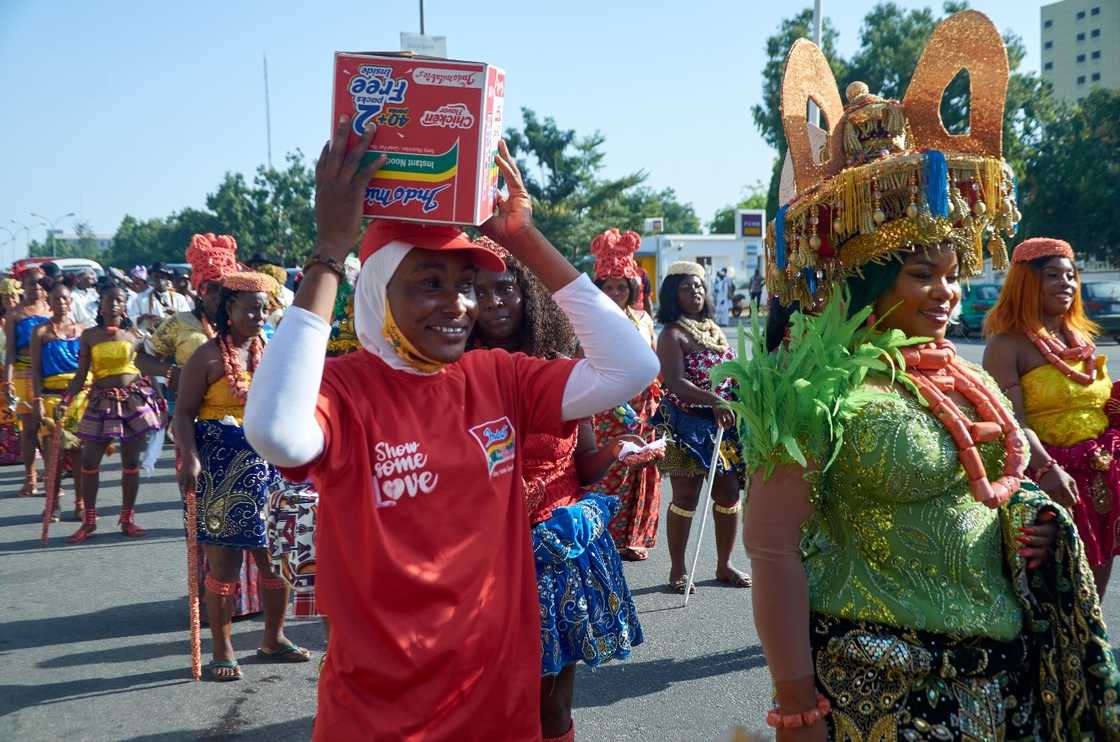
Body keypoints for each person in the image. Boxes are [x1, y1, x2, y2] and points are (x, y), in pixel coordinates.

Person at [735, 14, 1119, 738]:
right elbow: (773, 550)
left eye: (951, 274)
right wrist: (795, 703)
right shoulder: (812, 391)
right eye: (921, 275)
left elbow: (992, 487)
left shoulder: (959, 374)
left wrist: (1029, 523)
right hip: (877, 686)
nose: (946, 294)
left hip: (997, 678)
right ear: (867, 283)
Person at [242, 119, 658, 740]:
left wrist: (522, 238)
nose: (459, 304)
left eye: (466, 285)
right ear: (378, 293)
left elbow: (632, 367)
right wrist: (329, 252)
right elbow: (275, 433)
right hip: (380, 717)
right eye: (430, 283)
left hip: (497, 703)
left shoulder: (496, 376)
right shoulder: (342, 390)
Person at [469, 238, 644, 740]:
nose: (494, 302)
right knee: (486, 703)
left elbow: (582, 467)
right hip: (480, 563)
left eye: (505, 288)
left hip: (555, 555)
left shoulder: (563, 373)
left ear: (528, 295)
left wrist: (614, 451)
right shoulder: (448, 373)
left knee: (551, 709)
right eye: (478, 291)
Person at [174, 271, 306, 681]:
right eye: (250, 309)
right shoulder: (206, 356)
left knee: (278, 560)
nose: (258, 317)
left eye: (263, 310)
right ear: (229, 309)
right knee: (225, 566)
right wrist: (188, 457)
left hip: (271, 468)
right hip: (221, 468)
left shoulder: (273, 352)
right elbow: (182, 414)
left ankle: (274, 639)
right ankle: (223, 649)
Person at [983, 237, 1120, 600]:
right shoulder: (1005, 345)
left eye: (1071, 275)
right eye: (1053, 275)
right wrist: (1046, 468)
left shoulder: (1081, 339)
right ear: (1026, 282)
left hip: (1101, 478)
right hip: (1047, 483)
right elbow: (1012, 422)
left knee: (1093, 592)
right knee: (1051, 593)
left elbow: (1099, 408)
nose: (1066, 283)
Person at [142, 233, 265, 621]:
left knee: (257, 526)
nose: (217, 293)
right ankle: (210, 599)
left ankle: (248, 601)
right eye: (212, 287)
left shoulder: (255, 331)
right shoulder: (180, 325)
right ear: (200, 290)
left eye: (224, 286)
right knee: (210, 525)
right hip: (200, 435)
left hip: (252, 441)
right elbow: (142, 358)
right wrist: (171, 372)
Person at [653, 261, 750, 593]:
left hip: (722, 424)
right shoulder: (671, 334)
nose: (695, 291)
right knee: (686, 496)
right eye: (686, 287)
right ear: (672, 294)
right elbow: (675, 382)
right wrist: (715, 400)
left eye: (698, 286)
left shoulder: (714, 329)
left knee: (729, 492)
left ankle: (724, 565)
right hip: (685, 425)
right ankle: (678, 570)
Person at [62, 283, 163, 543]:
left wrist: (160, 398)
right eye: (109, 299)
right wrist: (67, 399)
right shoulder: (89, 336)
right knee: (89, 461)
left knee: (130, 462)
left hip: (134, 400)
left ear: (125, 304)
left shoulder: (135, 334)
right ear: (101, 303)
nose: (114, 304)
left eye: (119, 300)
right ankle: (89, 521)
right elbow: (81, 374)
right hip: (102, 401)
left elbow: (147, 369)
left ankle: (127, 519)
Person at [588, 228, 663, 560]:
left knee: (640, 468)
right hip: (606, 405)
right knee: (610, 469)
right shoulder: (590, 319)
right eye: (609, 287)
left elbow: (655, 359)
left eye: (622, 286)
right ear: (600, 288)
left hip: (643, 405)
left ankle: (634, 538)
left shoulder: (644, 318)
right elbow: (582, 360)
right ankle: (601, 537)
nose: (616, 292)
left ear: (632, 287)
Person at [30, 283, 87, 522]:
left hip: (80, 398)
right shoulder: (41, 332)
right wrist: (37, 400)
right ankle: (52, 504)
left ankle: (81, 503)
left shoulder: (82, 330)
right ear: (49, 302)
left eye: (65, 299)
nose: (61, 303)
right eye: (56, 299)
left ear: (70, 302)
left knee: (80, 454)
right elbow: (35, 369)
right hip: (52, 397)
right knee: (54, 455)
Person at [4, 270, 51, 496]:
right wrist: (8, 382)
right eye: (32, 284)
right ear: (23, 286)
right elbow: (10, 351)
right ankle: (30, 479)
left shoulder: (53, 309)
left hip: (49, 373)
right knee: (30, 429)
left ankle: (52, 479)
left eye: (41, 284)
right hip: (24, 373)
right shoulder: (15, 314)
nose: (37, 289)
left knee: (50, 429)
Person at [128, 262, 192, 334]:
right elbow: (131, 321)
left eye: (162, 277)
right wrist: (144, 318)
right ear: (151, 278)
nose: (159, 280)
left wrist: (176, 313)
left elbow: (189, 320)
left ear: (168, 279)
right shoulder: (140, 298)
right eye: (156, 276)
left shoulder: (179, 298)